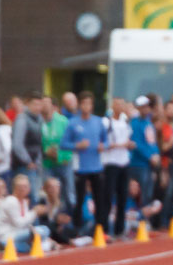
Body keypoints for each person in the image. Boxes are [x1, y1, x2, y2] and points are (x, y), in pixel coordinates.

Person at [60, 91, 108, 231]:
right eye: (84, 103)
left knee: (99, 199)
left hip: (96, 166)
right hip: (80, 167)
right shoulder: (72, 123)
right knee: (79, 199)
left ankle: (100, 229)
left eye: (89, 104)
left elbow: (105, 140)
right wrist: (77, 146)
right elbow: (63, 144)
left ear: (92, 106)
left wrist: (102, 146)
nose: (87, 106)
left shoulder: (98, 121)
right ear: (80, 105)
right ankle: (77, 228)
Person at [0, 174, 50, 254]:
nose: (23, 189)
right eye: (20, 186)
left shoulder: (23, 202)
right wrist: (35, 212)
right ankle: (4, 244)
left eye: (25, 186)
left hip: (18, 233)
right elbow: (19, 224)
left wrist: (32, 228)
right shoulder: (11, 201)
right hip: (6, 235)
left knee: (45, 229)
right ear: (15, 188)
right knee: (40, 232)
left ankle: (18, 246)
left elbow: (26, 223)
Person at [103, 97, 134, 237]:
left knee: (123, 196)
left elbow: (128, 139)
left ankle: (119, 229)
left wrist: (129, 145)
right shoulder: (106, 122)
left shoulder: (125, 122)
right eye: (117, 104)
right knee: (108, 196)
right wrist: (121, 145)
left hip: (124, 162)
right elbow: (104, 143)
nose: (120, 107)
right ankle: (104, 228)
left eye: (122, 104)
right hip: (111, 163)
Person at [10, 91, 44, 202]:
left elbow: (39, 144)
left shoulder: (39, 119)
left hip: (35, 164)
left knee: (35, 196)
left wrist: (37, 161)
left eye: (40, 104)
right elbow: (17, 145)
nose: (38, 107)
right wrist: (28, 161)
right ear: (27, 104)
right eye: (35, 104)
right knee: (28, 197)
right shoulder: (22, 119)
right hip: (23, 166)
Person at [129, 95, 160, 209]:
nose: (146, 109)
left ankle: (145, 218)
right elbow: (136, 143)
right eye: (143, 107)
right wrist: (149, 157)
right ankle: (139, 218)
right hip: (138, 164)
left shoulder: (148, 122)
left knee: (148, 192)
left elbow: (152, 142)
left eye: (147, 106)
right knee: (139, 193)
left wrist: (156, 154)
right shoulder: (134, 123)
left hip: (148, 165)